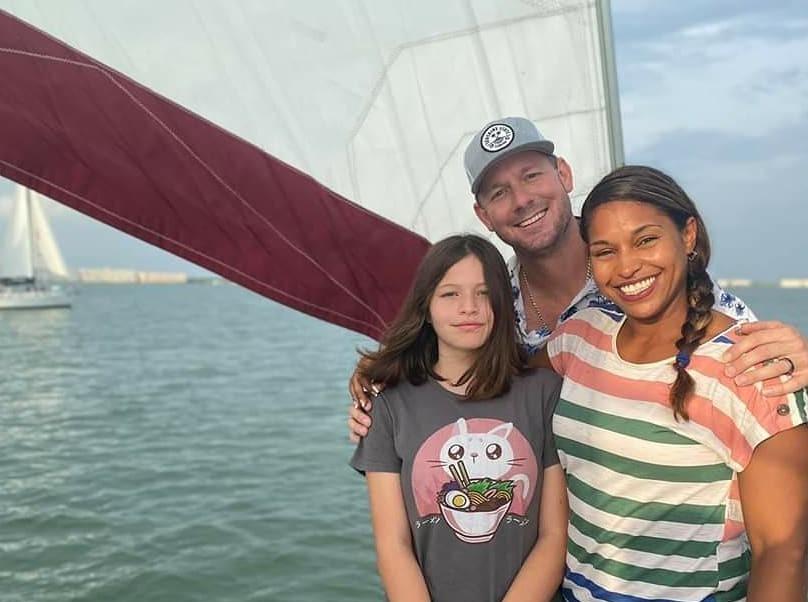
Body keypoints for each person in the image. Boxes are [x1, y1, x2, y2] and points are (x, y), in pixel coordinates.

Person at [348, 116, 808, 439]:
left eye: (532, 176)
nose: (522, 199)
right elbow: (449, 377)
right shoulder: (491, 307)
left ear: (564, 175)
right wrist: (379, 383)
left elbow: (757, 380)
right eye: (499, 192)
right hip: (540, 539)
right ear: (483, 215)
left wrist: (795, 360)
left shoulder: (645, 284)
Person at [538, 165, 808, 600]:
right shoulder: (579, 336)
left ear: (687, 236)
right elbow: (500, 377)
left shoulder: (749, 369)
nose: (627, 266)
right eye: (605, 251)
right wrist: (396, 371)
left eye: (645, 240)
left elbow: (783, 552)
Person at [350, 234, 568, 602]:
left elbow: (553, 536)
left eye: (484, 294)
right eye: (450, 294)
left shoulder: (543, 392)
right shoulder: (388, 403)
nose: (469, 307)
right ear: (426, 306)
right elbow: (393, 545)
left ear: (502, 303)